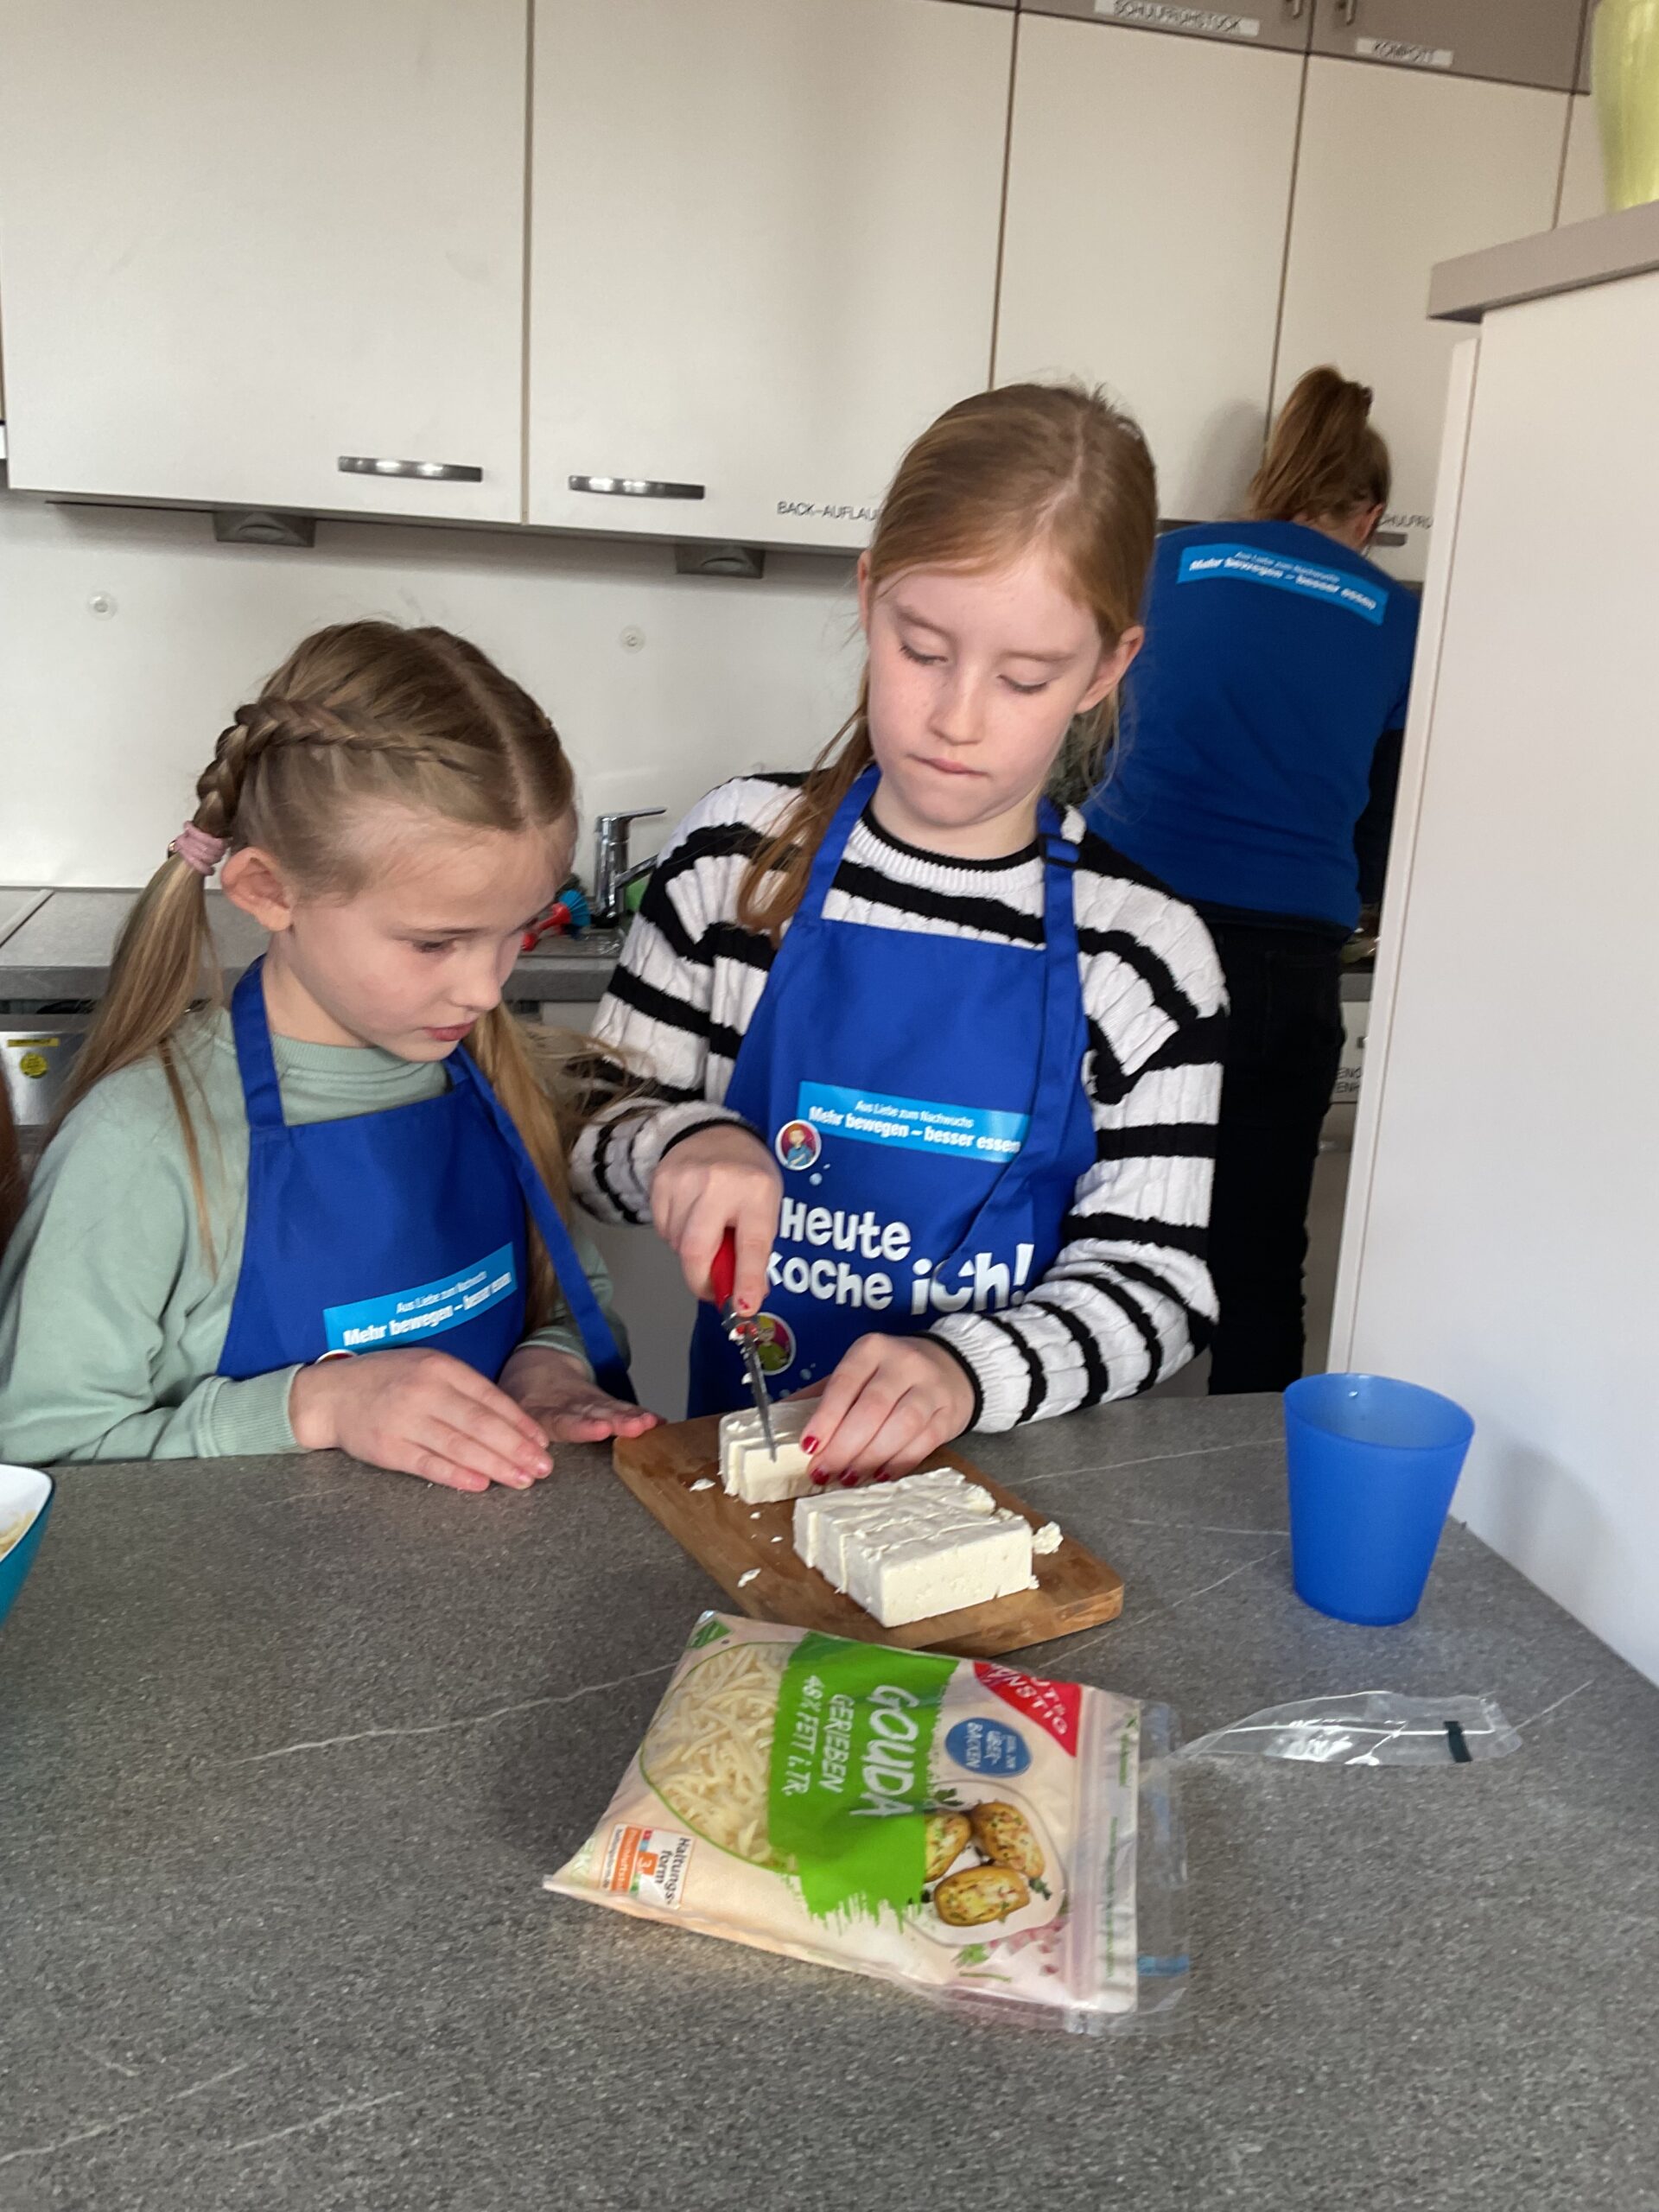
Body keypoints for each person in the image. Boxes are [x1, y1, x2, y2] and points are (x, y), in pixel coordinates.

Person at [574, 383, 1227, 1482]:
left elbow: (1156, 1286)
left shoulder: (1144, 951)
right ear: (869, 595)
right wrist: (678, 1143)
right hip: (748, 1473)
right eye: (923, 649)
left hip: (1012, 1490)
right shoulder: (740, 859)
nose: (958, 717)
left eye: (1025, 678)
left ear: (1107, 669)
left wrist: (964, 1370)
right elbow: (592, 1124)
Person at [0, 621, 658, 1483]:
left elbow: (570, 1299)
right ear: (268, 891)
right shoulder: (143, 1145)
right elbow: (41, 1456)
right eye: (435, 943)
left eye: (517, 933)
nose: (485, 990)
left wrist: (547, 1370)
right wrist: (316, 1407)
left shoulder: (498, 1077)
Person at [1087, 365, 1420, 1394]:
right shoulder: (1400, 617)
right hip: (1285, 964)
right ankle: (1246, 1481)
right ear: (1368, 516)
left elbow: (1092, 731)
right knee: (1264, 1261)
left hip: (1126, 936)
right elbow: (1386, 817)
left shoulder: (1168, 562)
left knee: (1084, 1237)